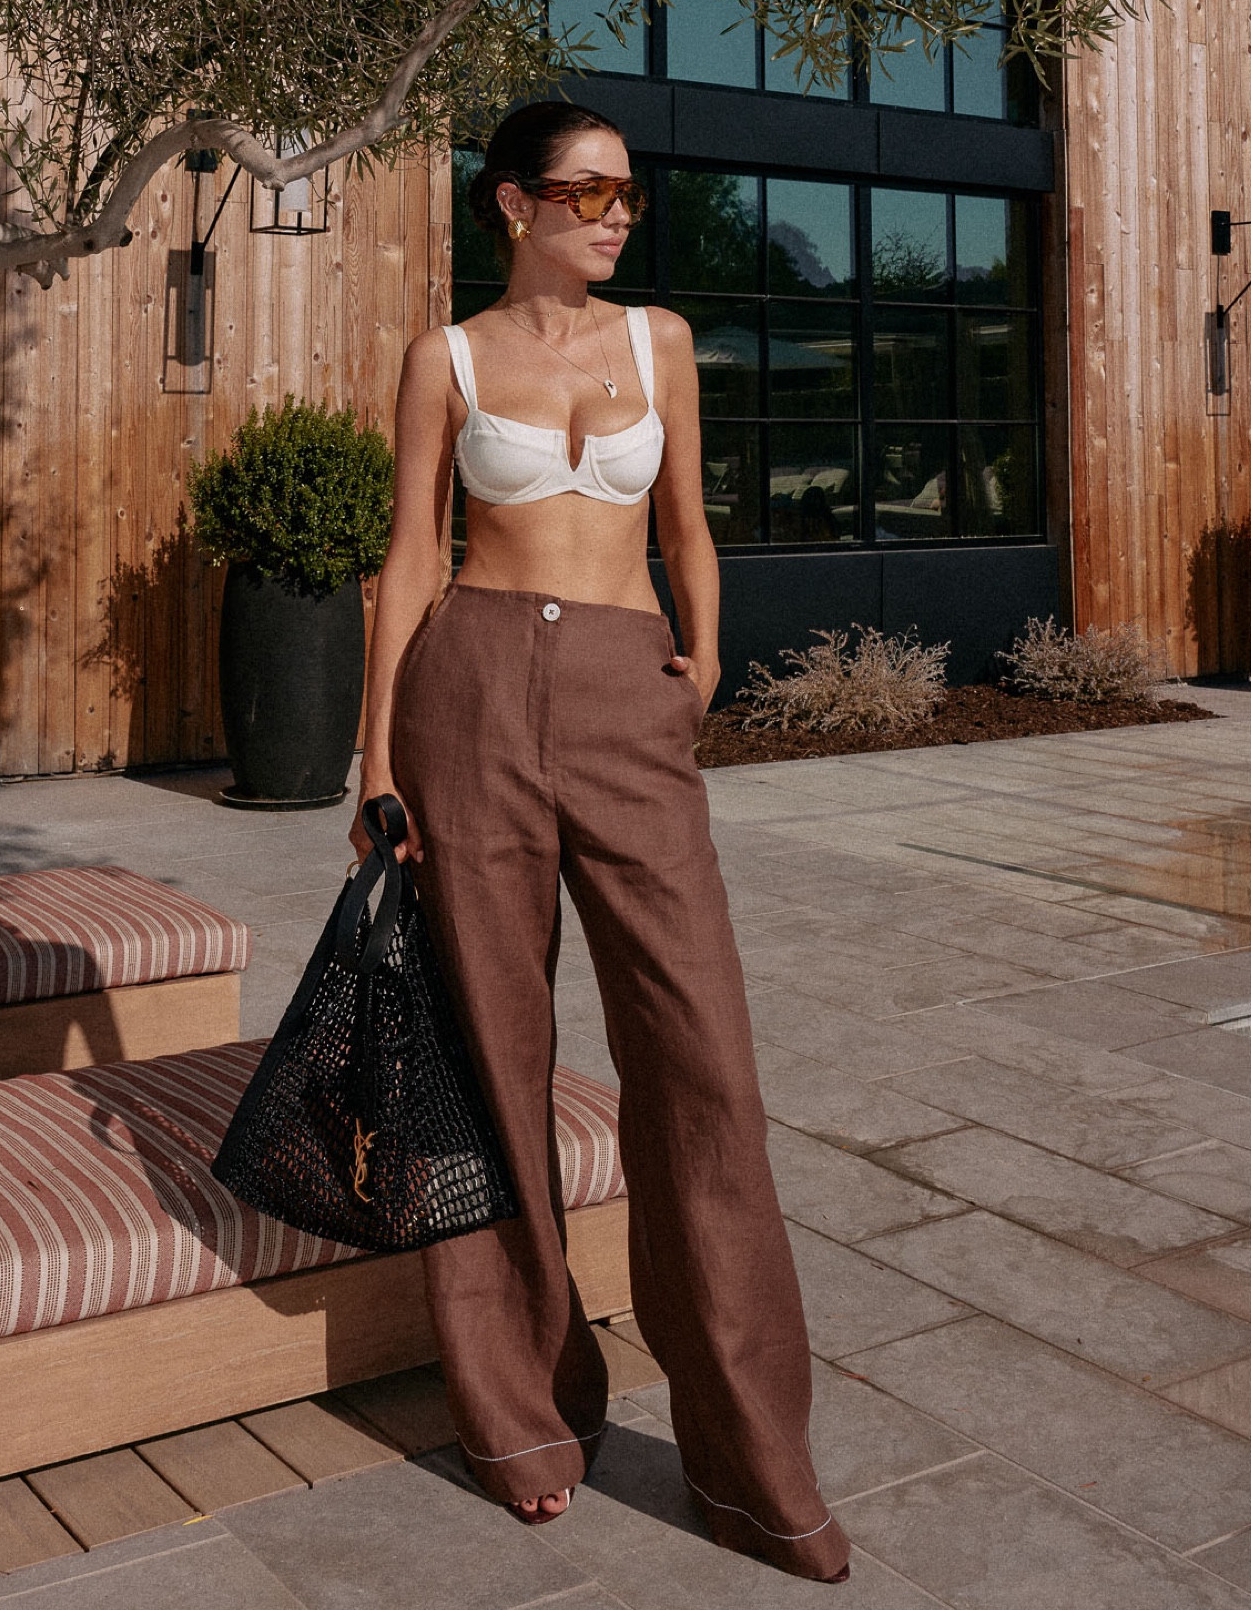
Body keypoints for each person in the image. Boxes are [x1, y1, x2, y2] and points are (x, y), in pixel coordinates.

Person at [349, 100, 851, 1585]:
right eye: (583, 192)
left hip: (627, 699)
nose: (612, 215)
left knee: (701, 1062)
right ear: (511, 204)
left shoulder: (662, 343)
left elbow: (688, 522)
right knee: (487, 1052)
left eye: (626, 194)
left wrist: (697, 665)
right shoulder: (443, 356)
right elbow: (408, 554)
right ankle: (519, 1420)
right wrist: (375, 757)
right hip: (471, 696)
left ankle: (759, 1469)